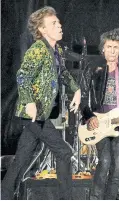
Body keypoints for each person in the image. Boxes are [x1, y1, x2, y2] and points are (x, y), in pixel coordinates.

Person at [1, 6, 81, 200]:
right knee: (64, 152)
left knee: (22, 157)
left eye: (58, 22)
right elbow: (23, 76)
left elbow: (63, 73)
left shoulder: (57, 50)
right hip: (33, 115)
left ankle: (4, 194)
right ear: (43, 30)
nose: (59, 25)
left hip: (41, 114)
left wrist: (76, 89)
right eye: (54, 23)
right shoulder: (38, 49)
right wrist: (28, 102)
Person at [79, 28, 119, 199]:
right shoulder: (93, 66)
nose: (112, 50)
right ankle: (95, 198)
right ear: (103, 48)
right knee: (104, 162)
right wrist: (89, 116)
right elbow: (82, 96)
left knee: (116, 170)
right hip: (100, 123)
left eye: (116, 47)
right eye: (109, 46)